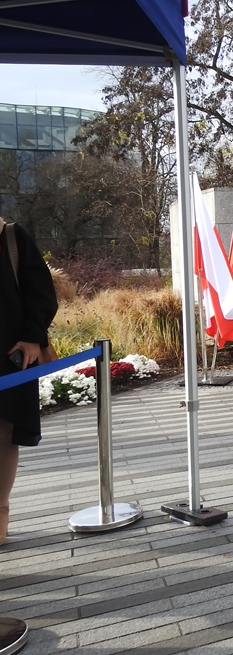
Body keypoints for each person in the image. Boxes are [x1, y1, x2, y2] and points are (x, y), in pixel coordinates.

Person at [0, 218, 58, 544]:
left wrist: (33, 338)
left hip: (8, 351)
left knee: (3, 431)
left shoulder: (10, 235)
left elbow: (41, 293)